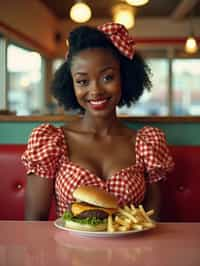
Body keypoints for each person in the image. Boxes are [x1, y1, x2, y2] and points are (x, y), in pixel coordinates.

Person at [22, 22, 174, 221]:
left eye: (107, 77)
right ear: (71, 84)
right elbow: (35, 220)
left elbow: (151, 219)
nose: (95, 91)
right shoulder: (51, 142)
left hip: (131, 251)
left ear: (124, 78)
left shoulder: (147, 143)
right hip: (67, 250)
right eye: (83, 81)